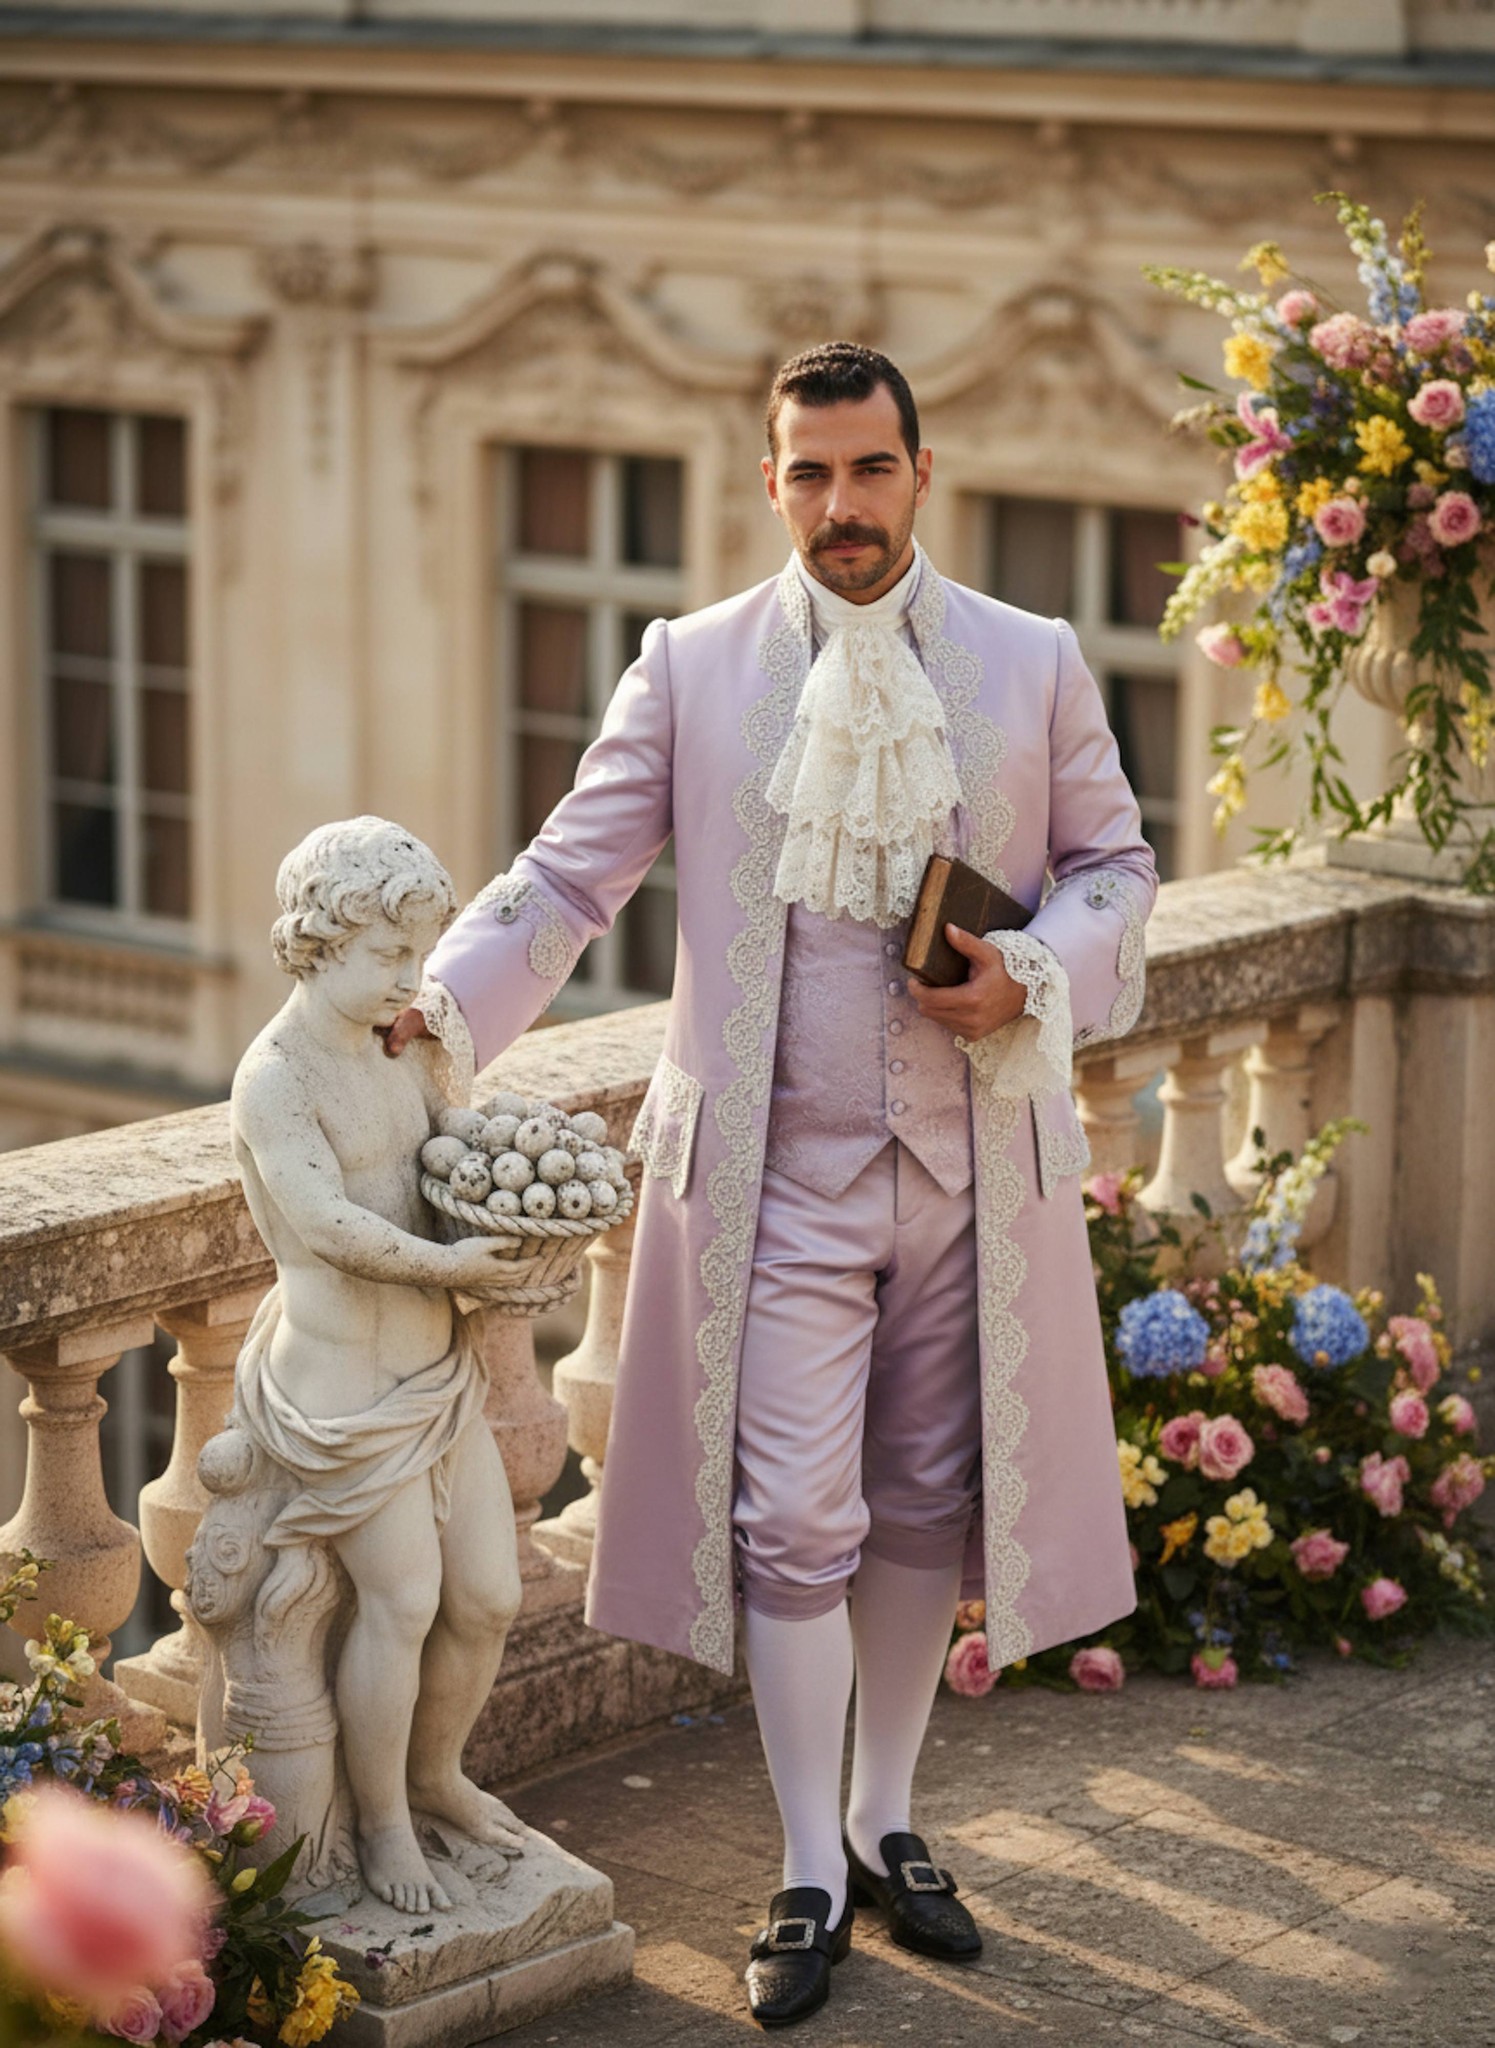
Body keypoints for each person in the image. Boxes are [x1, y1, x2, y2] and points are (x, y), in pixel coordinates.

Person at [386, 344, 1159, 2025]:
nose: (841, 507)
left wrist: (1033, 965)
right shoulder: (691, 667)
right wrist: (439, 1010)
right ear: (770, 483)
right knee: (795, 1516)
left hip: (970, 1167)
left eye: (868, 471)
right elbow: (569, 874)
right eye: (807, 475)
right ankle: (809, 1857)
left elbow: (1118, 866)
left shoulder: (1031, 663)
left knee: (922, 1503)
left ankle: (889, 1818)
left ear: (920, 473)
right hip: (771, 1181)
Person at [232, 816, 524, 1915]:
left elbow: (453, 1149)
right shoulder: (276, 1076)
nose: (415, 975)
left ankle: (437, 1773)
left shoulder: (394, 1045)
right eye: (391, 956)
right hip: (344, 1392)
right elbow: (330, 1223)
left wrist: (505, 1183)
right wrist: (458, 1261)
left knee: (488, 1597)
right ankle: (386, 1822)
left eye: (419, 951)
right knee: (401, 1603)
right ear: (319, 944)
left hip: (437, 1372)